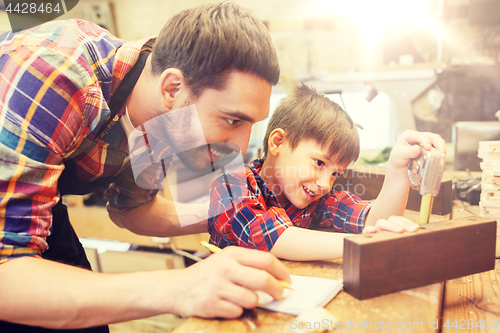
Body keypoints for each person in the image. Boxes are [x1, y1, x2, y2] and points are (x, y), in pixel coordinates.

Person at [0, 2, 292, 331]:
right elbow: (6, 273)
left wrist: (240, 214)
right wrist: (181, 288)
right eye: (232, 119)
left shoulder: (165, 117)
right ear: (173, 88)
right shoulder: (56, 77)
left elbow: (132, 210)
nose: (239, 146)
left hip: (38, 213)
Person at [208, 84, 446, 261]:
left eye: (335, 174)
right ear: (278, 142)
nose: (325, 184)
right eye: (320, 163)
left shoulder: (317, 200)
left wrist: (397, 167)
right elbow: (276, 238)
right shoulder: (230, 186)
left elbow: (375, 221)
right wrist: (364, 243)